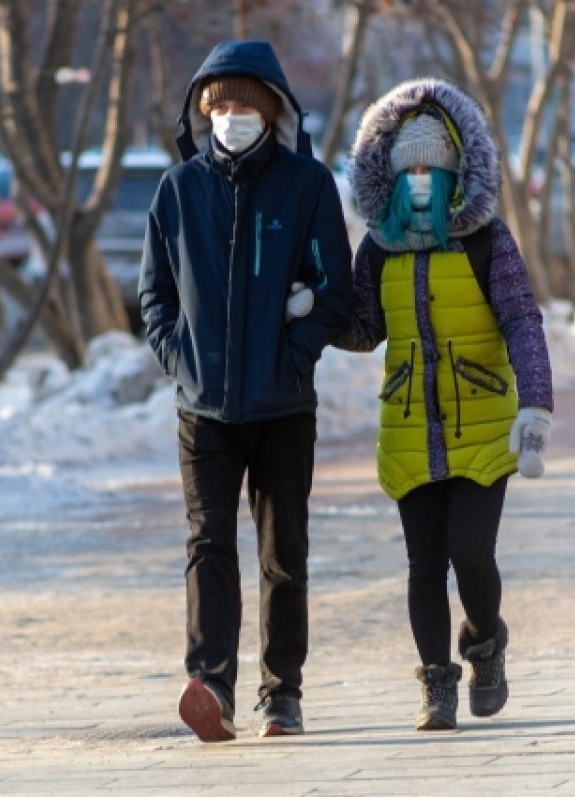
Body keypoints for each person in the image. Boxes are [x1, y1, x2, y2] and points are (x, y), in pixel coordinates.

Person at [138, 40, 353, 742]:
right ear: (203, 112)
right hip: (203, 409)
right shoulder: (178, 190)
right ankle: (211, 685)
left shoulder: (307, 185)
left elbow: (334, 292)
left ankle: (281, 693)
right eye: (218, 105)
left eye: (243, 105)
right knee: (208, 545)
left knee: (283, 552)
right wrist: (181, 360)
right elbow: (155, 296)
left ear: (271, 111)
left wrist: (295, 353)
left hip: (283, 404)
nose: (229, 115)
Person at [334, 77, 554, 731]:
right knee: (424, 563)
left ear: (458, 170)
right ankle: (436, 684)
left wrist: (535, 409)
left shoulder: (488, 240)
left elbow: (522, 321)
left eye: (434, 168)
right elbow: (365, 329)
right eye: (411, 169)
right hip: (409, 426)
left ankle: (485, 640)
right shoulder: (379, 248)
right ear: (392, 176)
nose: (422, 179)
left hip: (483, 423)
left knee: (470, 552)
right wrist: (313, 309)